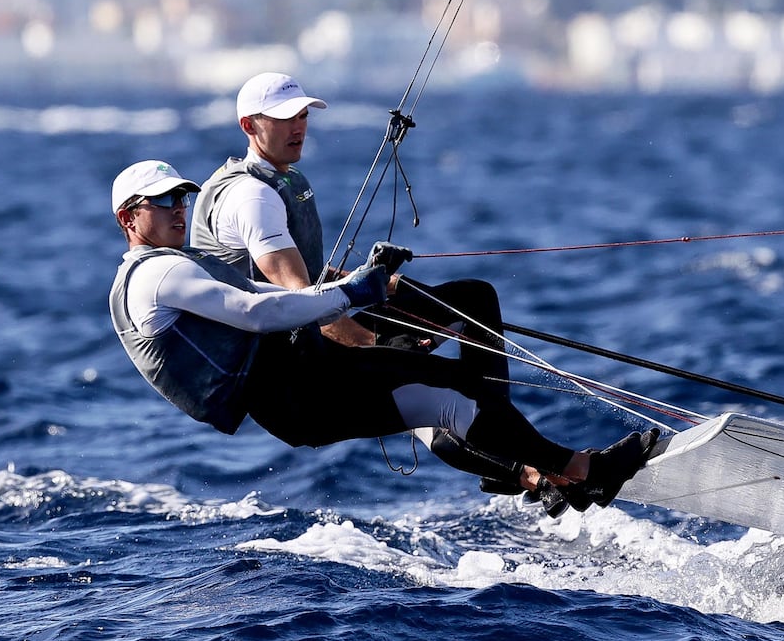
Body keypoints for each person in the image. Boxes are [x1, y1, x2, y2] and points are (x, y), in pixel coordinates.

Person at [109, 159, 658, 514]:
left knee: (449, 399)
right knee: (457, 391)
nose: (178, 209)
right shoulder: (162, 274)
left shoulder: (171, 266)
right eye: (163, 203)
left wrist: (356, 286)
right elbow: (255, 313)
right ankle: (576, 471)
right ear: (129, 218)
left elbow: (268, 296)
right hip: (297, 392)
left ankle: (542, 474)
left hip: (295, 393)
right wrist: (353, 294)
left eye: (182, 199)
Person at [189, 72, 569, 512]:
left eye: (302, 114)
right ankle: (518, 458)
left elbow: (311, 276)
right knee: (432, 385)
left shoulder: (282, 180)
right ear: (249, 125)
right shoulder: (249, 197)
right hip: (296, 358)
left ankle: (501, 449)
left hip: (317, 321)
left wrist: (372, 281)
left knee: (472, 300)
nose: (297, 126)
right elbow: (303, 300)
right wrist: (379, 343)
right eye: (282, 118)